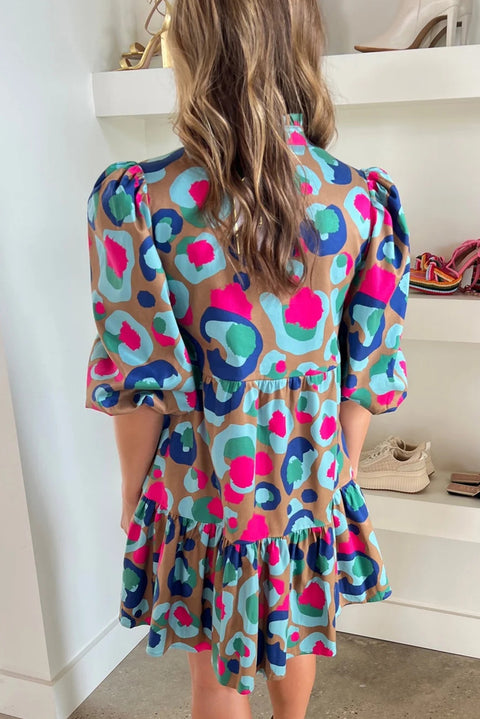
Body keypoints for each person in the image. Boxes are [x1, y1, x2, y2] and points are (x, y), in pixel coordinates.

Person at [85, 1, 410, 717]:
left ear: (195, 50)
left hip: (203, 479)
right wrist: (343, 468)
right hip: (308, 469)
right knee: (298, 628)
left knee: (213, 672)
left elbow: (141, 381)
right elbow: (368, 366)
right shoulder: (360, 201)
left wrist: (134, 491)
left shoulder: (139, 200)